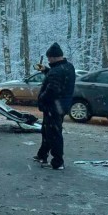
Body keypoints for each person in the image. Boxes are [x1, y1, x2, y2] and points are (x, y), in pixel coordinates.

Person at [33, 42, 76, 170]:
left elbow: (52, 90)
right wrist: (46, 70)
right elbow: (59, 77)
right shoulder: (68, 67)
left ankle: (58, 161)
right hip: (61, 106)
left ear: (53, 57)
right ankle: (42, 155)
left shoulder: (56, 72)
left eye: (49, 58)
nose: (48, 60)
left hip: (53, 107)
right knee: (47, 131)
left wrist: (41, 98)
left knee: (53, 133)